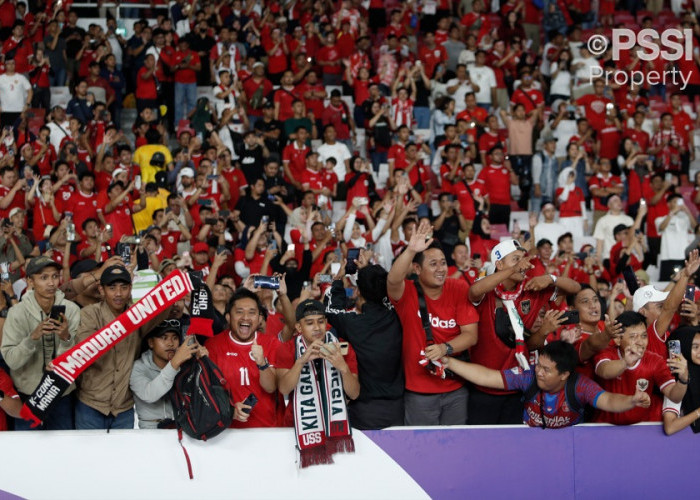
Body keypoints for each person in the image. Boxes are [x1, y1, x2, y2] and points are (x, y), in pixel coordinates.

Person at [467, 239, 581, 424]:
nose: (523, 264)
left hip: (517, 389)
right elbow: (474, 291)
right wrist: (513, 270)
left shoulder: (532, 288)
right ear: (499, 264)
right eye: (515, 259)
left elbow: (575, 288)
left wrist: (551, 278)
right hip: (482, 388)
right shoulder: (486, 288)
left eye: (523, 259)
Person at [387, 220, 478, 425]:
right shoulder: (407, 291)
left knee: (455, 449)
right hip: (419, 391)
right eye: (433, 263)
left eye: (443, 262)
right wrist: (411, 250)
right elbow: (392, 280)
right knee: (421, 452)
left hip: (456, 388)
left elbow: (471, 335)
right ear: (417, 269)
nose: (441, 269)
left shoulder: (459, 287)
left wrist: (445, 348)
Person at [443, 341, 651, 428]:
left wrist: (632, 400)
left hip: (569, 449)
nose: (539, 372)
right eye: (539, 366)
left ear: (564, 375)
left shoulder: (580, 387)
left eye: (546, 370)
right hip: (528, 443)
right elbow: (488, 377)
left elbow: (608, 400)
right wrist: (449, 361)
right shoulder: (530, 376)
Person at [75, 264, 169, 430]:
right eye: (112, 288)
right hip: (91, 405)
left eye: (124, 287)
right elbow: (85, 349)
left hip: (123, 408)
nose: (118, 293)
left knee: (123, 456)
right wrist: (123, 323)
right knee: (88, 456)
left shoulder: (138, 316)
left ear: (130, 289)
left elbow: (161, 310)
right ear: (101, 290)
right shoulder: (90, 314)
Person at [0, 256, 80, 430]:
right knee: (28, 452)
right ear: (30, 281)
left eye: (54, 276)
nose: (51, 283)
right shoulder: (16, 313)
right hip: (28, 395)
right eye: (44, 277)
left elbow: (78, 359)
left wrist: (66, 338)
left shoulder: (72, 309)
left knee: (62, 450)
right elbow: (12, 361)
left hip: (61, 393)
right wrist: (32, 338)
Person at [324, 260, 404, 430]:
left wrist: (338, 280)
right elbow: (386, 296)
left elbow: (331, 310)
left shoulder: (353, 323)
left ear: (359, 291)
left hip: (365, 408)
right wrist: (370, 271)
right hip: (399, 406)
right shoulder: (396, 315)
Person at [205, 288, 282, 428]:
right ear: (228, 317)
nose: (245, 317)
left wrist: (262, 363)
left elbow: (271, 388)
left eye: (252, 312)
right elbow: (208, 391)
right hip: (225, 432)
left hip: (265, 430)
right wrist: (230, 411)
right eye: (239, 312)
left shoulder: (271, 343)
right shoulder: (213, 345)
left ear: (259, 319)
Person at [593, 311, 687, 425]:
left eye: (644, 336)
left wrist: (683, 379)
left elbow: (674, 397)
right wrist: (625, 362)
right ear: (618, 340)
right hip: (605, 426)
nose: (640, 342)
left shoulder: (655, 360)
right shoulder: (606, 352)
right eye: (633, 337)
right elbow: (604, 371)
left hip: (642, 427)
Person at [276, 299, 360, 425]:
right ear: (299, 327)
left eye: (321, 322)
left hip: (335, 422)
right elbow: (284, 389)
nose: (317, 327)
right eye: (310, 323)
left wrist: (343, 368)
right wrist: (300, 362)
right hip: (298, 424)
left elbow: (354, 394)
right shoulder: (288, 348)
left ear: (326, 322)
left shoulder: (340, 347)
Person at [130, 319, 208, 430]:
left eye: (175, 338)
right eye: (164, 338)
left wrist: (204, 363)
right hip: (150, 430)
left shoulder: (186, 364)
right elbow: (150, 395)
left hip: (182, 428)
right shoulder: (138, 367)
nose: (170, 343)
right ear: (151, 342)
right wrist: (174, 364)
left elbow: (202, 395)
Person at [632, 250, 700, 358]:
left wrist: (691, 321)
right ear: (642, 312)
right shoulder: (649, 334)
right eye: (660, 306)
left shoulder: (664, 333)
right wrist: (685, 275)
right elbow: (669, 308)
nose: (664, 309)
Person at [662, 326, 700, 435]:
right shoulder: (675, 378)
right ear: (685, 348)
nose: (699, 351)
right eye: (695, 347)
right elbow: (670, 428)